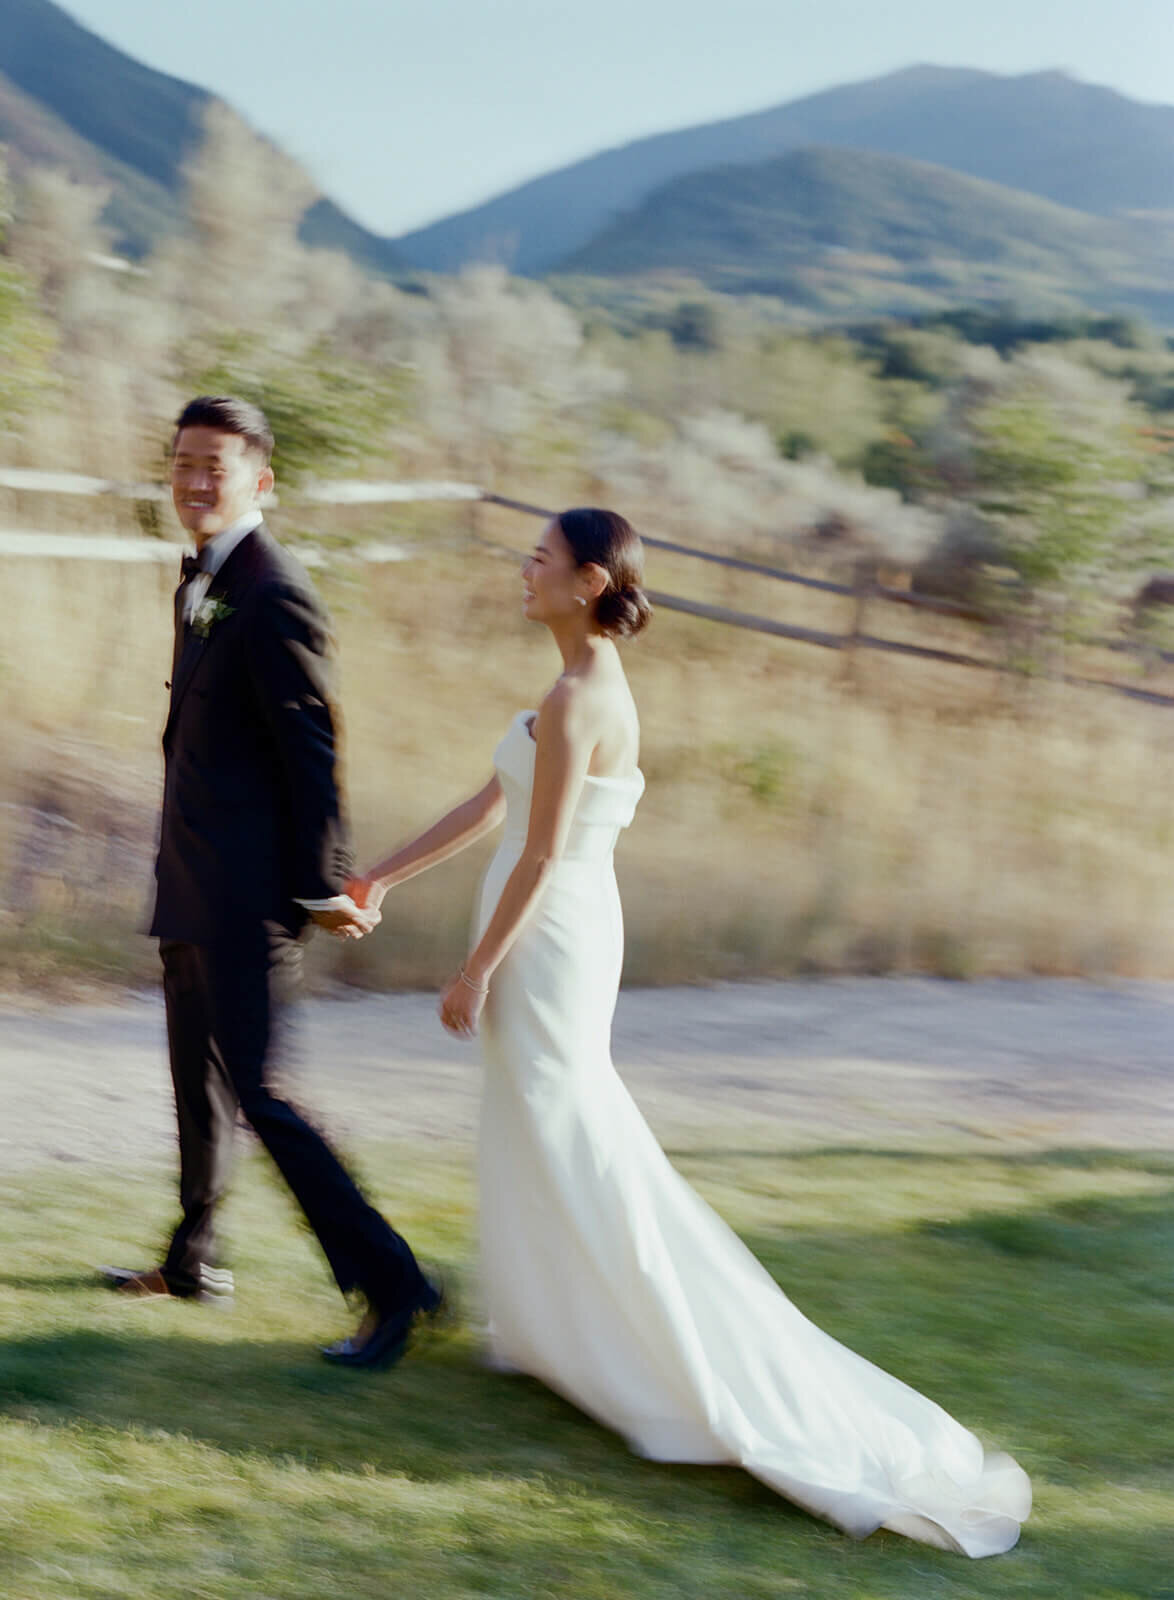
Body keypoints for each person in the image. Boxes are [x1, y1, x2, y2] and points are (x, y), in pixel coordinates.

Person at [350, 506, 1032, 1555]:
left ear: (586, 582)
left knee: (581, 1139)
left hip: (550, 937)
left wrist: (474, 967)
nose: (520, 568)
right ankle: (561, 1337)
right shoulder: (563, 692)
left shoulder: (582, 698)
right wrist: (379, 877)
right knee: (539, 1133)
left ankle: (678, 1363)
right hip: (548, 931)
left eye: (539, 557)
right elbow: (491, 801)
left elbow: (536, 856)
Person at [99, 395, 441, 1369]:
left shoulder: (275, 587)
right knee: (194, 1082)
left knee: (261, 1093)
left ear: (262, 479)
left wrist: (323, 884)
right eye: (183, 462)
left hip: (248, 898)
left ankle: (394, 1283)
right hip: (189, 879)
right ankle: (193, 1259)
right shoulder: (202, 579)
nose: (195, 481)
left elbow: (311, 749)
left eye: (216, 464)